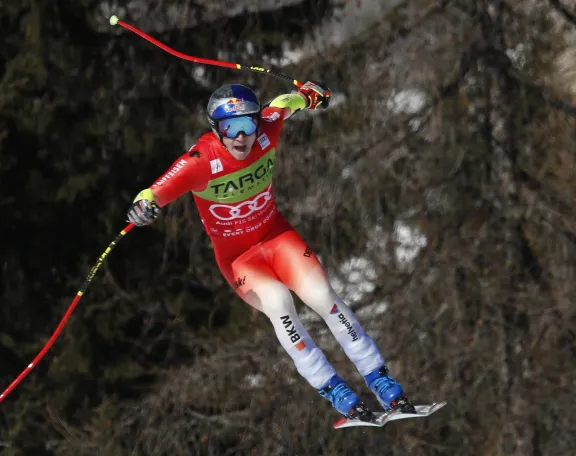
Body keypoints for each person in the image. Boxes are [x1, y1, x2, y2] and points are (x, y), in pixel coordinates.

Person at [125, 81, 415, 423]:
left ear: (257, 123)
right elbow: (155, 190)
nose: (240, 137)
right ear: (215, 129)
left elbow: (285, 102)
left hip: (277, 237)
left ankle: (380, 379)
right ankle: (334, 389)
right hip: (240, 259)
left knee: (323, 296)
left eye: (247, 125)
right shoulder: (200, 161)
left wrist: (310, 95)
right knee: (279, 304)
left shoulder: (268, 130)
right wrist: (144, 205)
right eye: (229, 128)